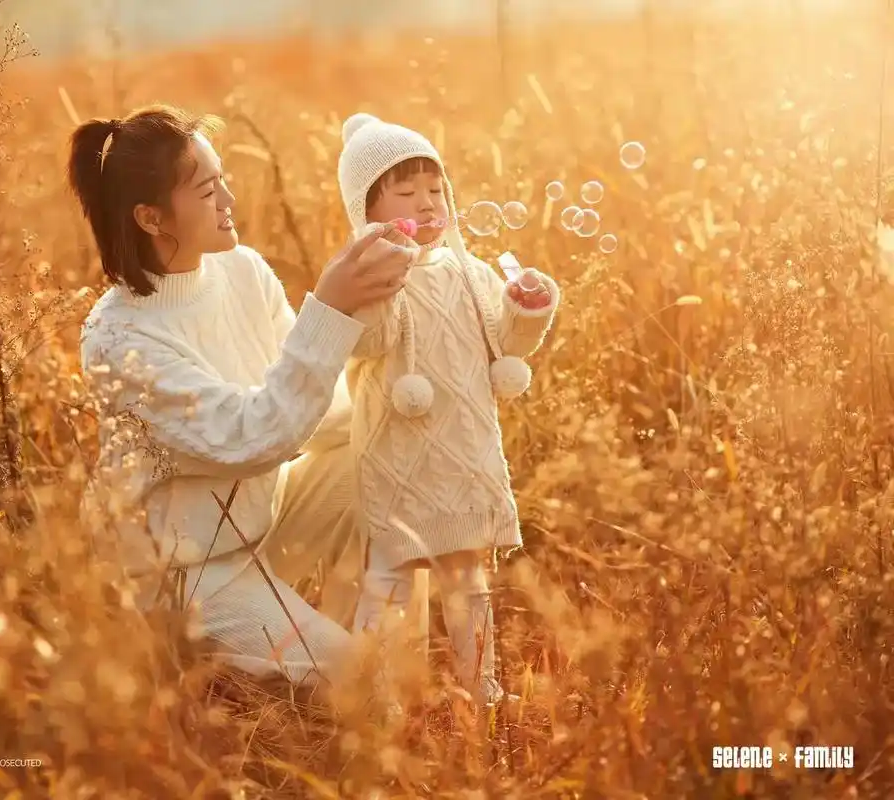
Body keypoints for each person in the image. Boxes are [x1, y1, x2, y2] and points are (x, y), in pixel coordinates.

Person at [70, 104, 418, 691]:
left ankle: (326, 636)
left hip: (261, 527)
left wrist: (408, 385)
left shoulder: (240, 270)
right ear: (152, 218)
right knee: (358, 678)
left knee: (379, 454)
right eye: (208, 191)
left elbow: (322, 413)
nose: (229, 199)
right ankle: (201, 660)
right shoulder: (119, 339)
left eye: (222, 178)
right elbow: (252, 435)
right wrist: (330, 309)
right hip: (184, 574)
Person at [335, 112, 561, 706]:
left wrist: (527, 308)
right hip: (397, 455)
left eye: (435, 189)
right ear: (366, 211)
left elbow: (506, 345)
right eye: (405, 193)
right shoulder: (368, 279)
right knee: (390, 577)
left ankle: (481, 684)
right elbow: (365, 342)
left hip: (462, 451)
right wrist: (378, 280)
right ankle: (373, 695)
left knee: (468, 575)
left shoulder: (471, 271)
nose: (427, 203)